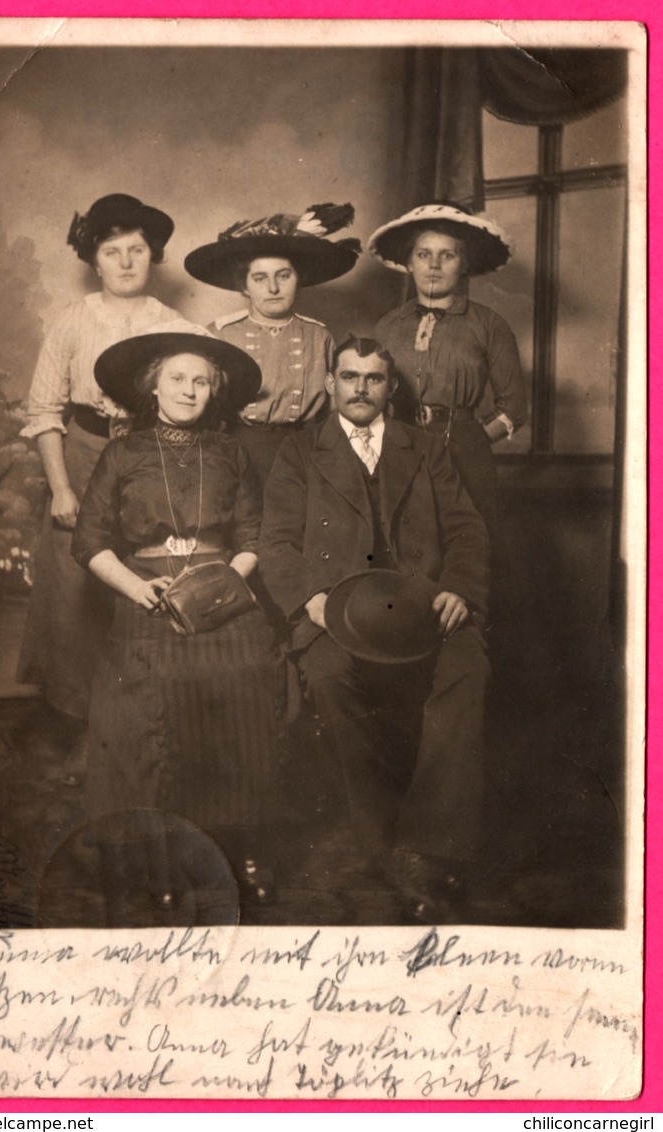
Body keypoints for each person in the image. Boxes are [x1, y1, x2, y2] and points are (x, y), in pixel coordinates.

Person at [258, 336, 490, 923]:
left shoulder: (426, 448)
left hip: (421, 606)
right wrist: (306, 600)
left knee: (467, 669)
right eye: (349, 376)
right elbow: (277, 543)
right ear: (329, 384)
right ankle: (375, 834)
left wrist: (460, 588)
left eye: (375, 378)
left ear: (392, 388)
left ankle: (430, 844)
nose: (361, 387)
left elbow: (466, 528)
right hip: (335, 611)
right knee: (331, 676)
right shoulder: (301, 452)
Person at [71, 331, 282, 918]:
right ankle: (159, 858)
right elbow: (89, 542)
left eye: (200, 381)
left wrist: (217, 586)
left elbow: (253, 538)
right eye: (177, 379)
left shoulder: (232, 452)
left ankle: (242, 850)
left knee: (245, 681)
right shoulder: (122, 453)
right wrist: (138, 588)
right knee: (145, 707)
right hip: (142, 596)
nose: (189, 390)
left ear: (214, 392)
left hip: (221, 594)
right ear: (153, 387)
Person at [17, 194, 203, 782]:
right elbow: (45, 409)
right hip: (82, 454)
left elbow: (197, 402)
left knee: (141, 590)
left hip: (149, 462)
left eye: (137, 251)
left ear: (153, 257)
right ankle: (78, 728)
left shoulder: (174, 326)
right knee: (75, 595)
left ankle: (136, 730)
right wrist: (63, 489)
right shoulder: (72, 321)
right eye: (112, 251)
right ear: (94, 261)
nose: (125, 262)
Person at [369, 201, 526, 553]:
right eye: (424, 254)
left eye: (448, 256)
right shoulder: (387, 326)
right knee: (405, 551)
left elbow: (514, 408)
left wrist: (470, 441)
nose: (434, 265)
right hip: (399, 449)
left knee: (468, 550)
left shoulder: (489, 325)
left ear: (465, 264)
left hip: (465, 454)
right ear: (409, 263)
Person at [184, 202, 361, 485]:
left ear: (299, 278)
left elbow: (332, 411)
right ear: (244, 285)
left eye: (284, 276)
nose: (273, 288)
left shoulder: (319, 336)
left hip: (303, 453)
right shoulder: (221, 334)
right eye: (260, 278)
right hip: (236, 453)